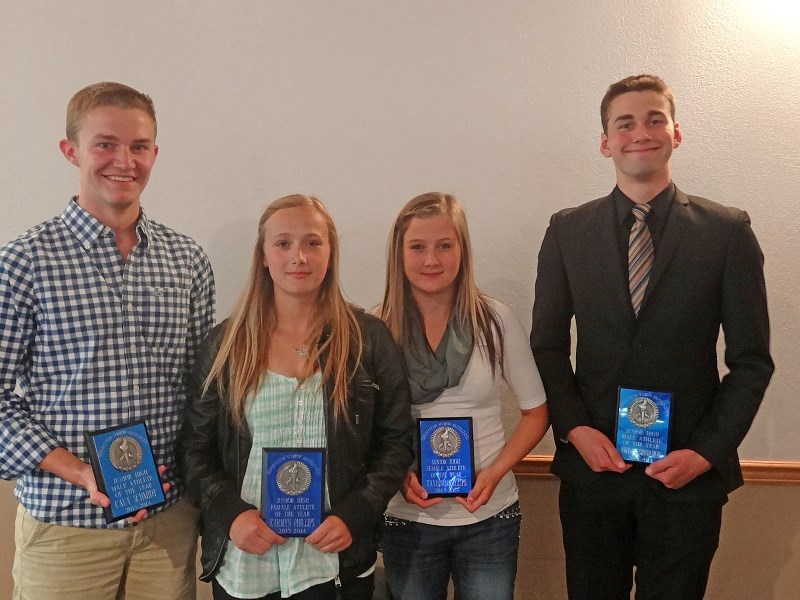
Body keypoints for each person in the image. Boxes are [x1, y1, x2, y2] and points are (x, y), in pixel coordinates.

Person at [530, 74, 774, 599]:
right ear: (605, 142)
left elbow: (752, 362)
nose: (640, 132)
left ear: (676, 133)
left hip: (687, 475)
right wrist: (575, 430)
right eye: (625, 123)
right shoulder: (568, 231)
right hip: (595, 472)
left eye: (654, 119)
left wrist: (706, 452)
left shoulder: (727, 232)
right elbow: (546, 346)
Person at [0, 82, 216, 599]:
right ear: (70, 150)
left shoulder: (187, 261)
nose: (124, 160)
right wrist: (81, 473)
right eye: (105, 144)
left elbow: (202, 393)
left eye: (139, 146)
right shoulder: (23, 263)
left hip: (168, 521)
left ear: (155, 154)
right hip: (65, 525)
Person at [179, 194, 414, 600]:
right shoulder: (225, 345)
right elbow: (194, 449)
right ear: (264, 256)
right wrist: (231, 517)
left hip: (334, 560)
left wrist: (356, 513)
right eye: (283, 243)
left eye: (312, 243)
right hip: (246, 560)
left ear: (330, 253)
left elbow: (396, 441)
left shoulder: (369, 340)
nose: (298, 257)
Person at [378, 192, 549, 600]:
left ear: (463, 250)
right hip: (407, 517)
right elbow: (363, 426)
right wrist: (396, 474)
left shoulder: (495, 321)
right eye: (417, 247)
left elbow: (536, 413)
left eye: (444, 246)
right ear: (398, 254)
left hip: (490, 517)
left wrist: (494, 473)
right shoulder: (376, 328)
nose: (431, 260)